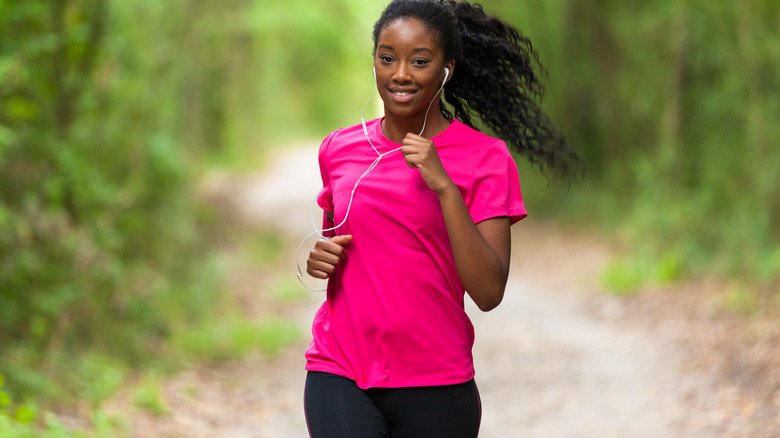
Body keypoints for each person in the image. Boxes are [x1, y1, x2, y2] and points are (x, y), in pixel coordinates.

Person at [302, 1, 582, 436]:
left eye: (419, 61)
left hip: (436, 380)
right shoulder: (339, 149)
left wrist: (446, 189)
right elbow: (341, 248)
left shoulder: (486, 159)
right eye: (387, 57)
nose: (400, 74)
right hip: (340, 369)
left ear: (445, 69)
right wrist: (320, 259)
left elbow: (488, 291)